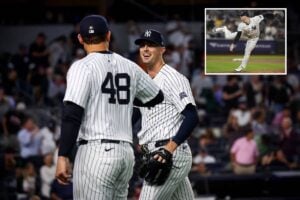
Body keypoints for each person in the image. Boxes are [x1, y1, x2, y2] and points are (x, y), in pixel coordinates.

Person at [55, 15, 164, 200]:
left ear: (80, 39)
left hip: (95, 152)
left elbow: (72, 114)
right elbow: (156, 97)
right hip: (124, 154)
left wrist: (63, 155)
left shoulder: (82, 67)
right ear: (108, 35)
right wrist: (127, 115)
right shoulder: (130, 67)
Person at [134, 29, 198, 199]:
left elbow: (192, 116)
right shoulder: (144, 81)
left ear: (162, 49)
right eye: (142, 45)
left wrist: (168, 150)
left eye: (151, 45)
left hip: (169, 153)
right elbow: (137, 115)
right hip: (156, 152)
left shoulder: (173, 78)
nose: (145, 49)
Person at [214, 10, 283, 72]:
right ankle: (224, 29)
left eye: (241, 16)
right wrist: (234, 44)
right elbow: (238, 35)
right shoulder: (241, 25)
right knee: (228, 36)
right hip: (244, 34)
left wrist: (274, 14)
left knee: (247, 51)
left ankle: (241, 67)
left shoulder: (255, 19)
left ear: (245, 16)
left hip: (253, 38)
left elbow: (265, 15)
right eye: (240, 16)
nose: (240, 17)